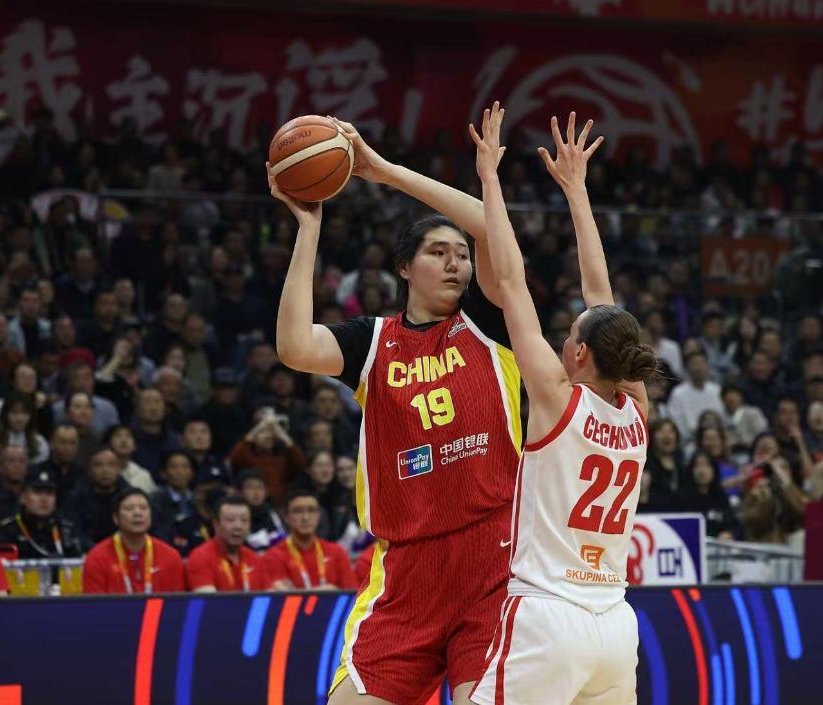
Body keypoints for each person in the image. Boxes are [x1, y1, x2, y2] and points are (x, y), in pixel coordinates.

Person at [271, 113, 521, 705]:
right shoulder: (373, 341)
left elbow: (489, 226)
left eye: (460, 254)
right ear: (405, 268)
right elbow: (294, 346)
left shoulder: (489, 322)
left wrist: (382, 171)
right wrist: (309, 227)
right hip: (405, 574)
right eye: (438, 252)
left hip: (493, 564)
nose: (456, 263)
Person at [468, 106, 651, 705]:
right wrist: (577, 191)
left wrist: (489, 179)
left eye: (570, 333)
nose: (564, 337)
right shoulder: (637, 409)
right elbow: (602, 296)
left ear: (578, 354)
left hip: (548, 616)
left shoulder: (555, 398)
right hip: (615, 625)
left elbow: (510, 282)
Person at [82, 487, 185, 594]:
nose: (137, 513)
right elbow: (94, 604)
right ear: (116, 518)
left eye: (143, 508)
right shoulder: (97, 558)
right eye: (129, 508)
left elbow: (177, 602)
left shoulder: (170, 557)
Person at [263, 489, 358, 591]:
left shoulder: (337, 553)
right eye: (297, 511)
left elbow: (352, 594)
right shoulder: (273, 556)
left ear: (319, 515)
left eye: (311, 510)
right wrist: (327, 592)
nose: (305, 517)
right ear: (286, 517)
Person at [0, 468, 88, 559]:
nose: (44, 499)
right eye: (37, 492)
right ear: (23, 497)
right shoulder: (6, 532)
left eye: (49, 493)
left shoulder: (66, 530)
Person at [185, 496, 266, 592]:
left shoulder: (254, 559)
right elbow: (208, 600)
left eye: (244, 520)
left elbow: (269, 596)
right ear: (216, 524)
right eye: (230, 520)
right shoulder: (200, 557)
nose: (238, 527)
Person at [227, 408, 304, 507]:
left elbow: (300, 463)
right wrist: (260, 426)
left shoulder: (282, 460)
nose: (268, 436)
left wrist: (280, 432)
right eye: (263, 432)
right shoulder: (248, 456)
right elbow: (235, 456)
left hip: (278, 507)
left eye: (271, 432)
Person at [66, 446, 130, 543]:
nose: (105, 470)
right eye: (98, 465)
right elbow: (73, 531)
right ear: (90, 469)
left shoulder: (130, 498)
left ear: (118, 469)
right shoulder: (76, 499)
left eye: (111, 465)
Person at [0, 390, 50, 465]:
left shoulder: (40, 443)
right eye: (14, 412)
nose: (20, 418)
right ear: (5, 415)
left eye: (24, 413)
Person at [238, 468, 287, 551]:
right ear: (240, 492)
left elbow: (283, 542)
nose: (256, 492)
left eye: (260, 487)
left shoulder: (274, 515)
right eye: (250, 487)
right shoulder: (236, 518)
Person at [105, 424, 159, 496]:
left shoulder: (143, 475)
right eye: (118, 436)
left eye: (128, 436)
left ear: (135, 446)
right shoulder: (104, 473)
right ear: (109, 444)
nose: (123, 440)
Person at [0, 445, 29, 522]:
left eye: (21, 461)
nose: (17, 465)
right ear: (0, 467)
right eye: (11, 461)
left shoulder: (33, 496)